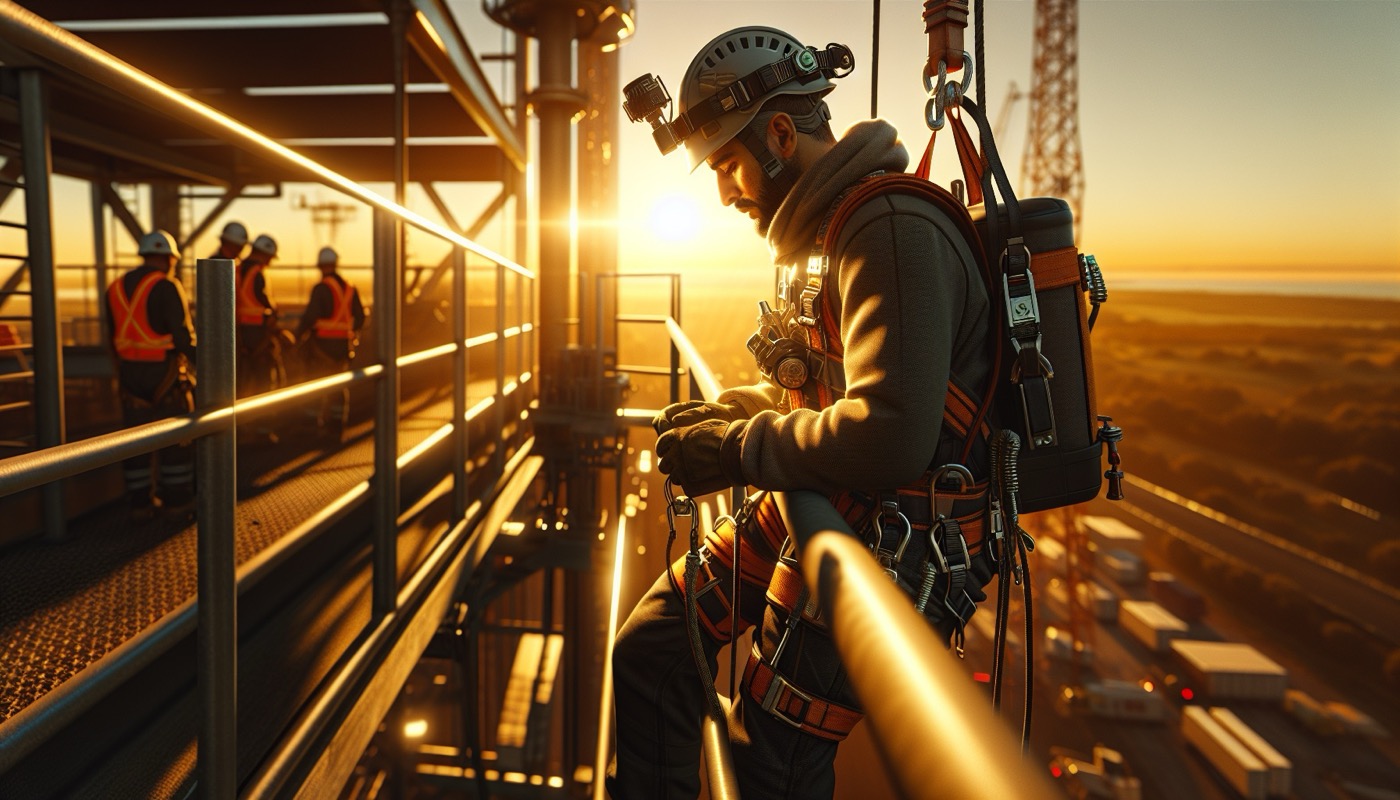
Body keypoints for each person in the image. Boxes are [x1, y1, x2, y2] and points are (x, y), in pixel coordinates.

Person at [609, 26, 998, 799]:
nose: (724, 193)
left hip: (900, 539)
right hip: (838, 502)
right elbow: (830, 397)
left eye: (727, 164)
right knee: (654, 646)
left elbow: (891, 433)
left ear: (781, 134)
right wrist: (731, 416)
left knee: (771, 762)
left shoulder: (888, 231)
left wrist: (737, 449)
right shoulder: (834, 231)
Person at [105, 230, 197, 520]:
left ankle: (140, 505)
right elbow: (183, 338)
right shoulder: (167, 286)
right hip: (165, 376)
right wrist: (207, 364)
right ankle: (177, 502)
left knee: (135, 443)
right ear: (170, 259)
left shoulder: (115, 288)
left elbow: (112, 337)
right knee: (176, 440)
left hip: (130, 378)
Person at [295, 246, 365, 440]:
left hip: (321, 348)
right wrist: (350, 333)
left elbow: (310, 317)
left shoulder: (321, 288)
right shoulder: (350, 288)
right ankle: (337, 426)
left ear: (320, 266)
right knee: (339, 387)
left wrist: (297, 336)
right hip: (343, 349)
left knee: (316, 386)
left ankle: (311, 427)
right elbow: (360, 317)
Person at [235, 233, 284, 400]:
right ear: (263, 254)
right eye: (270, 257)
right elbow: (265, 302)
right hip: (256, 334)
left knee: (241, 381)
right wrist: (273, 315)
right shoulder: (257, 273)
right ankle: (263, 414)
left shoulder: (236, 268)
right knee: (263, 381)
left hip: (238, 332)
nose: (270, 262)